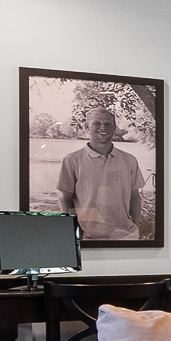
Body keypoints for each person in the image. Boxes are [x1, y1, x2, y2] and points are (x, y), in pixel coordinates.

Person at [55, 103, 145, 241]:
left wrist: (135, 228)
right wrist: (74, 232)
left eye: (108, 124)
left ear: (114, 128)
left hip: (126, 236)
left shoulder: (129, 160)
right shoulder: (72, 160)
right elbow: (64, 199)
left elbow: (135, 197)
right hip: (87, 238)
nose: (103, 127)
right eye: (97, 123)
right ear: (87, 127)